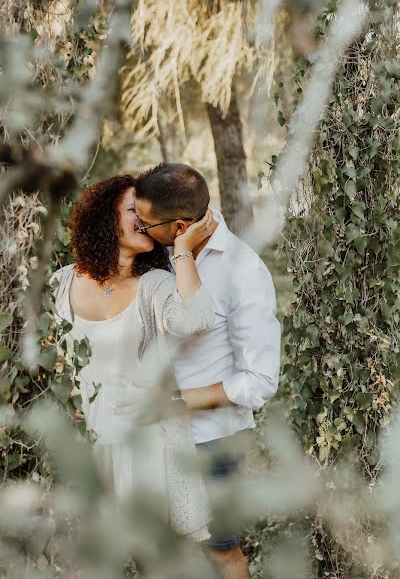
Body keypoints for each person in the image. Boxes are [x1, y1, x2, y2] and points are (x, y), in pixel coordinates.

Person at [127, 163, 281, 579]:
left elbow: (260, 380)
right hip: (151, 433)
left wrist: (176, 403)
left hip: (213, 438)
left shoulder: (243, 272)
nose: (139, 228)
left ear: (179, 227)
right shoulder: (152, 257)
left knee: (219, 551)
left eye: (145, 223)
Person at [50, 174, 216, 541]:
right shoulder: (60, 285)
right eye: (132, 210)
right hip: (85, 451)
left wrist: (183, 248)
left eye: (146, 212)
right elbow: (43, 365)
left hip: (148, 449)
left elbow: (196, 320)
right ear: (104, 217)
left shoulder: (153, 283)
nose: (143, 218)